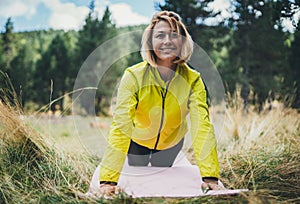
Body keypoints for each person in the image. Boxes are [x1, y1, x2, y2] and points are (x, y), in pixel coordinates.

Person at [98, 10, 222, 197]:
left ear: (182, 42)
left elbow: (202, 127)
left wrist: (210, 176)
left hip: (171, 143)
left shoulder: (193, 80)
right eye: (160, 35)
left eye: (174, 35)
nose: (167, 41)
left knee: (161, 183)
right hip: (137, 142)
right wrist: (108, 181)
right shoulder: (133, 76)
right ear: (150, 42)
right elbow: (120, 126)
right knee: (138, 180)